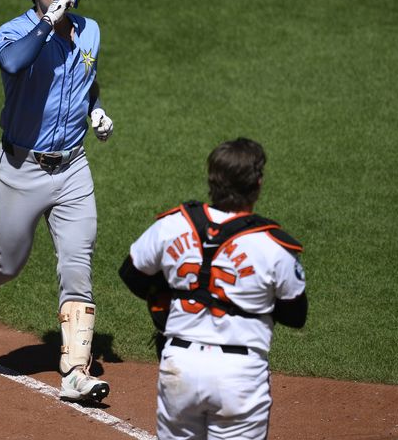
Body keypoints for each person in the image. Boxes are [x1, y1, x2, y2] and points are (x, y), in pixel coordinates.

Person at [0, 0, 114, 403]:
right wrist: (46, 24)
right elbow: (14, 64)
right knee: (8, 262)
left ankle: (76, 371)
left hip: (73, 167)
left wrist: (96, 109)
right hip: (20, 168)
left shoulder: (90, 30)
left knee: (77, 266)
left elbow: (85, 77)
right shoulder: (13, 33)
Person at [119, 137, 308, 439]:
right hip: (240, 375)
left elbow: (132, 273)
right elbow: (296, 315)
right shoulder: (273, 245)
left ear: (212, 181)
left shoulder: (173, 225)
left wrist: (171, 299)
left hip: (180, 365)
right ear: (257, 184)